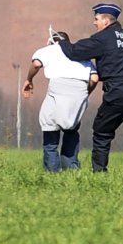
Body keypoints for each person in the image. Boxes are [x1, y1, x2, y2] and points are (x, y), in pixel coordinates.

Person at [58, 3, 123, 174]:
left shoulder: (103, 39)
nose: (94, 23)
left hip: (118, 94)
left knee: (102, 131)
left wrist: (62, 41)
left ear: (106, 21)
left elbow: (74, 52)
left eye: (96, 19)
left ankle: (99, 171)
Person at [23, 29, 99, 172]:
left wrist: (29, 79)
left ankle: (51, 170)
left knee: (49, 125)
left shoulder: (49, 50)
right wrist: (84, 94)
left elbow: (36, 64)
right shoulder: (79, 52)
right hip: (80, 87)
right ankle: (71, 168)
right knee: (71, 128)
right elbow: (94, 78)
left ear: (52, 41)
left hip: (58, 86)